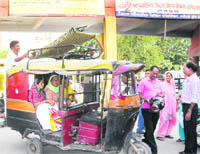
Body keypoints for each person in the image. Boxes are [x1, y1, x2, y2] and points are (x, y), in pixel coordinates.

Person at [138, 66, 163, 154]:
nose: (155, 75)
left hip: (156, 108)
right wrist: (146, 99)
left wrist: (160, 95)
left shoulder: (159, 82)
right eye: (154, 73)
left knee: (152, 128)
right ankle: (154, 149)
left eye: (157, 74)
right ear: (150, 72)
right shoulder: (143, 82)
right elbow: (140, 94)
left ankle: (145, 141)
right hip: (147, 108)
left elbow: (161, 92)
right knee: (149, 128)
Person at [179, 62, 199, 154]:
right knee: (187, 130)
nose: (183, 70)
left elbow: (195, 97)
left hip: (191, 107)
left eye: (184, 68)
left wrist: (189, 111)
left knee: (191, 131)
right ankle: (187, 150)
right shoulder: (188, 79)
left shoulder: (195, 80)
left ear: (190, 69)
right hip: (186, 106)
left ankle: (191, 152)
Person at [157, 72, 177, 141]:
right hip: (165, 105)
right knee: (164, 119)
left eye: (169, 76)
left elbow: (174, 95)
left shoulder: (172, 84)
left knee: (169, 119)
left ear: (171, 77)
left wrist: (175, 105)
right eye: (167, 76)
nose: (168, 77)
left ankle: (167, 133)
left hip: (172, 105)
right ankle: (160, 134)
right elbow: (159, 93)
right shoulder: (162, 84)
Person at [136, 69, 150, 134]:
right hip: (142, 102)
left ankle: (146, 128)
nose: (147, 75)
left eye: (149, 73)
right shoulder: (142, 82)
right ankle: (140, 128)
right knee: (141, 116)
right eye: (146, 73)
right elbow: (139, 92)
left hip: (150, 103)